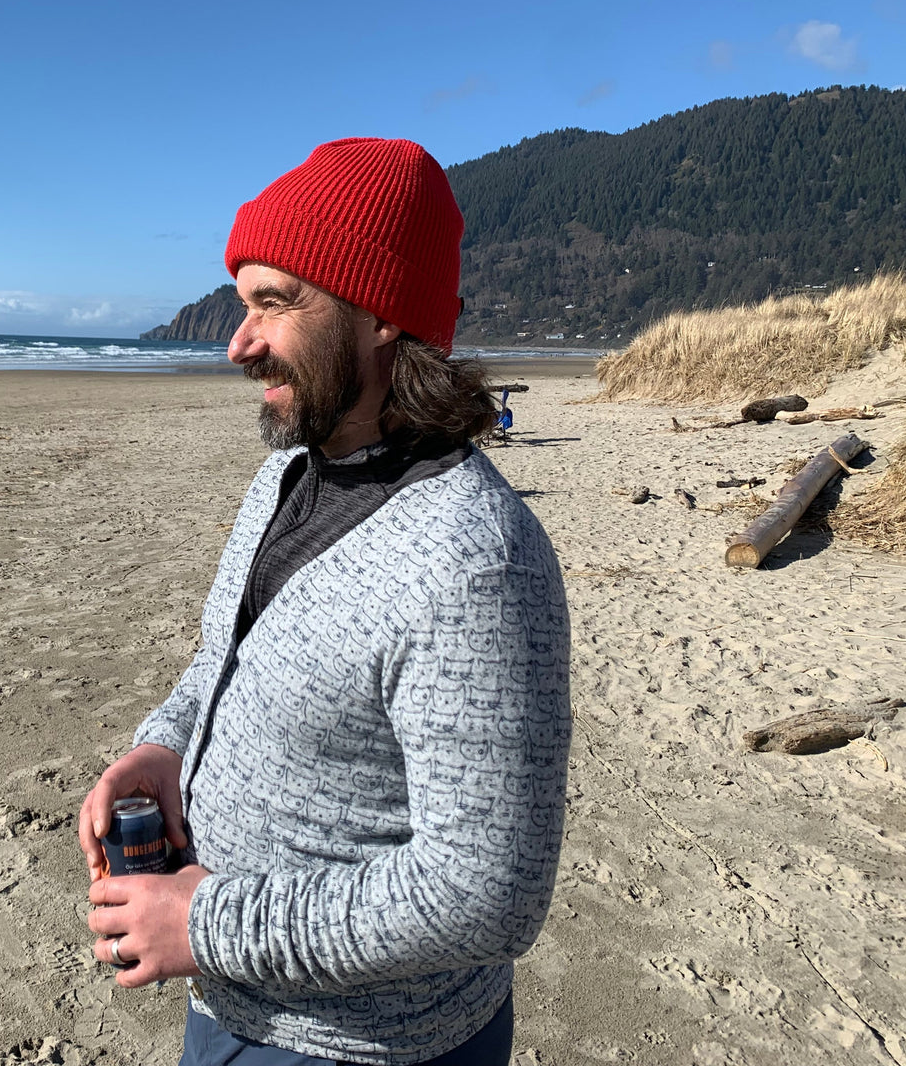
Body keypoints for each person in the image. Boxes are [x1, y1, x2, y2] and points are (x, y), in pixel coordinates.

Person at [77, 137, 571, 1066]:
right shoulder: (290, 477)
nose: (237, 342)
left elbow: (488, 895)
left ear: (378, 314)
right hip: (236, 1005)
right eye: (241, 302)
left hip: (361, 1044)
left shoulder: (475, 561)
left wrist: (207, 924)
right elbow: (218, 669)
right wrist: (162, 747)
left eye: (274, 302)